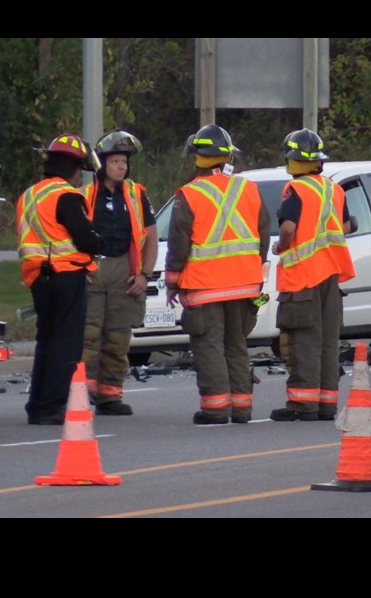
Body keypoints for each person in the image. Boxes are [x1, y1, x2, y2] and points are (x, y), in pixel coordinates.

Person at [165, 124, 271, 425]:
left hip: (205, 285)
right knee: (235, 345)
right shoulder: (248, 187)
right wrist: (253, 269)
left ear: (196, 156)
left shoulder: (190, 194)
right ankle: (241, 408)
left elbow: (179, 243)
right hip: (246, 284)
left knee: (209, 345)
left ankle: (216, 408)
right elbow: (263, 234)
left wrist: (173, 283)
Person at [16, 134, 104, 425]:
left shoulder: (30, 194)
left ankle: (37, 405)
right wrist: (99, 243)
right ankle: (51, 407)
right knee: (65, 345)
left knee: (46, 341)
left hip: (38, 278)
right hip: (66, 276)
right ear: (74, 168)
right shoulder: (66, 195)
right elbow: (85, 238)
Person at [270, 128, 356, 422]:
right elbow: (345, 227)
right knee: (327, 342)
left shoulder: (295, 190)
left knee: (302, 342)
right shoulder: (334, 189)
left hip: (303, 278)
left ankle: (302, 405)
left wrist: (280, 246)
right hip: (331, 277)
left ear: (293, 160)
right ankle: (326, 405)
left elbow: (289, 229)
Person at [80, 129, 158, 416]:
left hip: (124, 270)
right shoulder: (85, 195)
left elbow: (150, 236)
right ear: (102, 164)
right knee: (88, 335)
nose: (121, 167)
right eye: (115, 161)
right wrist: (80, 268)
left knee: (117, 337)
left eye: (124, 161)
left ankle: (110, 396)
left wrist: (144, 275)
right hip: (92, 269)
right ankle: (81, 393)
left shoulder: (138, 195)